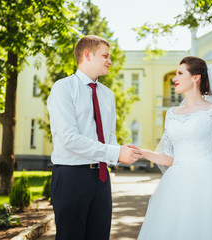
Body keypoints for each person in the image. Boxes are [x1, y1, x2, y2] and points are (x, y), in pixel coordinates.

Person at [136, 56, 212, 239]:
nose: (174, 78)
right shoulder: (172, 114)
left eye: (180, 73)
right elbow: (168, 158)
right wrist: (141, 152)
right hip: (176, 184)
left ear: (196, 77)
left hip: (209, 182)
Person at [47, 35, 142, 240]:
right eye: (105, 55)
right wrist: (115, 152)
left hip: (101, 179)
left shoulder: (108, 95)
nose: (110, 61)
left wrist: (121, 153)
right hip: (71, 178)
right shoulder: (63, 88)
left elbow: (109, 137)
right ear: (87, 55)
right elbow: (69, 138)